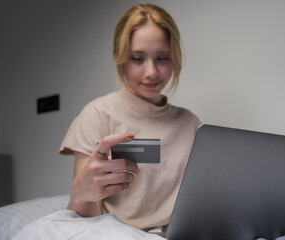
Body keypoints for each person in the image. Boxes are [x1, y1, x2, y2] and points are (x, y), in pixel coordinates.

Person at [59, 3, 201, 234]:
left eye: (162, 58)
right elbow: (83, 215)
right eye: (137, 58)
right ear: (120, 58)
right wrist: (82, 191)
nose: (151, 72)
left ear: (174, 57)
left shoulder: (191, 123)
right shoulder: (97, 115)